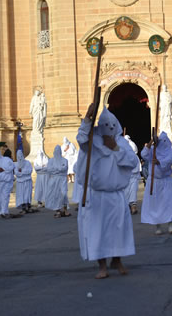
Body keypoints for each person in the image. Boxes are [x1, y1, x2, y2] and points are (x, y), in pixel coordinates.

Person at [76, 106, 139, 279]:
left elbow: (132, 161)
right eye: (105, 125)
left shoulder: (122, 142)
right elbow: (81, 140)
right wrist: (87, 119)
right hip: (96, 195)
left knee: (118, 230)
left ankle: (117, 260)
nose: (109, 128)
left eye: (112, 125)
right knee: (98, 230)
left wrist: (116, 149)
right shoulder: (92, 141)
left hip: (116, 195)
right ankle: (102, 265)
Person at [141, 131, 172, 235]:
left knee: (168, 203)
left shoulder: (170, 151)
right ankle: (158, 226)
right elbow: (143, 154)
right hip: (154, 181)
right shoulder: (153, 150)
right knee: (156, 204)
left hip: (166, 181)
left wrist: (159, 162)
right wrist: (151, 141)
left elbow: (169, 161)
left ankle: (170, 225)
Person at [45, 145, 70, 218]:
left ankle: (65, 210)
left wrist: (56, 170)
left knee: (64, 194)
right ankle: (58, 210)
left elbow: (65, 169)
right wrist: (59, 169)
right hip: (54, 180)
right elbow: (49, 170)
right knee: (56, 195)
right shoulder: (51, 161)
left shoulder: (65, 160)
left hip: (62, 180)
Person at [124, 135, 140, 215]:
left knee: (131, 191)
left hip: (131, 176)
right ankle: (129, 206)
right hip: (127, 176)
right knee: (128, 191)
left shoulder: (131, 153)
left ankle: (132, 206)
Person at [14, 150, 33, 214]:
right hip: (20, 182)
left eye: (21, 156)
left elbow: (29, 171)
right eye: (18, 156)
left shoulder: (27, 163)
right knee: (21, 195)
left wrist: (22, 171)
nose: (20, 157)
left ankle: (28, 205)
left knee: (27, 194)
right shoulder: (16, 164)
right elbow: (16, 173)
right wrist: (23, 173)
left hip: (27, 181)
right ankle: (23, 207)